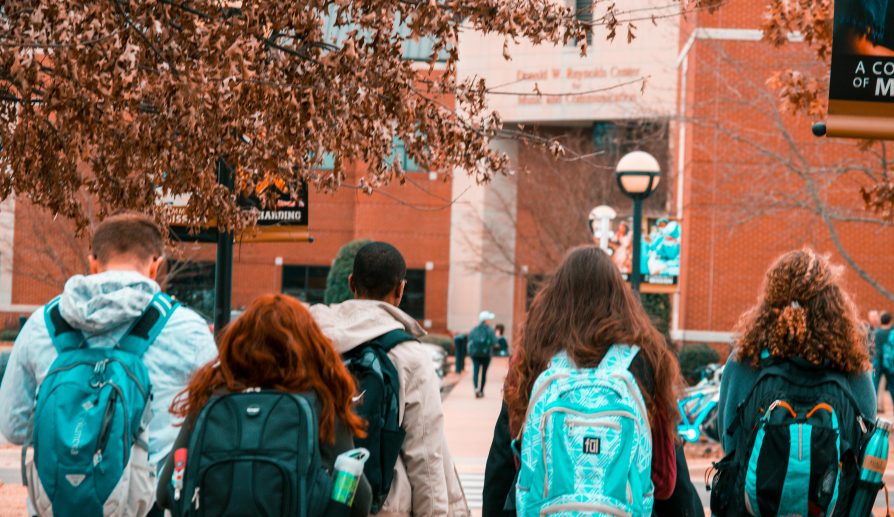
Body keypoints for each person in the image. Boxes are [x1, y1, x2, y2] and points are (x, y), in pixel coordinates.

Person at [0, 212, 218, 515]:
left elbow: (13, 426)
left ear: (92, 262)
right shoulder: (188, 329)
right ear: (156, 265)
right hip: (148, 505)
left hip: (57, 505)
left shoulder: (41, 324)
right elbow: (212, 425)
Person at [486, 246, 699, 516]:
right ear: (620, 298)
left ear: (557, 297)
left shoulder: (535, 356)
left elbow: (504, 459)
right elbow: (668, 476)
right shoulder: (645, 360)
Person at [157, 294, 372, 516]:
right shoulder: (320, 402)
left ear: (237, 343)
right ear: (308, 346)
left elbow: (165, 492)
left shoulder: (211, 397)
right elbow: (360, 499)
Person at [310, 242, 469, 517]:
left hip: (319, 501)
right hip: (384, 506)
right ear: (400, 290)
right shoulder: (408, 354)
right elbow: (425, 457)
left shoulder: (312, 343)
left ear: (351, 283)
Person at [714, 249, 876, 516]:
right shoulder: (853, 367)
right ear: (833, 303)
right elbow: (864, 448)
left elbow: (730, 442)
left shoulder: (746, 360)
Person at [469, 311, 497, 398]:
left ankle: (476, 388)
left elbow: (470, 339)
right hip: (486, 355)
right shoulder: (490, 330)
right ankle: (481, 390)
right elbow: (494, 342)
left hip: (475, 354)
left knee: (476, 371)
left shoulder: (474, 329)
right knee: (484, 373)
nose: (490, 321)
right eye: (489, 319)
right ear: (485, 320)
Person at [874, 311, 893, 404]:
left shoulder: (876, 333)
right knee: (893, 388)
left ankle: (871, 411)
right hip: (889, 363)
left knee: (874, 387)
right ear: (890, 321)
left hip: (876, 363)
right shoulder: (892, 333)